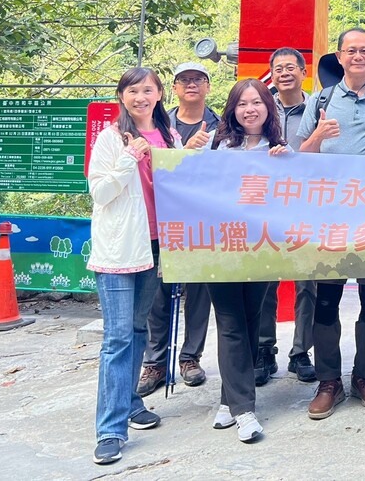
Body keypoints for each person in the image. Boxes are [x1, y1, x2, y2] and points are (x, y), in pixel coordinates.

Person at [296, 27, 365, 420]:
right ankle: (329, 381)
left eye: (364, 50)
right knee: (326, 300)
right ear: (340, 57)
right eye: (350, 50)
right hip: (329, 217)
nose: (358, 56)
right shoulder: (321, 99)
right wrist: (319, 135)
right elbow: (300, 155)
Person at [87, 67, 181, 465]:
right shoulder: (111, 138)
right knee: (118, 338)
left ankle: (130, 403)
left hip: (157, 246)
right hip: (119, 250)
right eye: (132, 91)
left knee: (139, 330)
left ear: (159, 94)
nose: (140, 97)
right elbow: (99, 191)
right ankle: (110, 430)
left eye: (147, 90)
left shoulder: (170, 136)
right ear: (121, 96)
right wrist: (130, 157)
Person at [205, 78, 291, 442]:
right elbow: (192, 184)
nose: (249, 109)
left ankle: (228, 400)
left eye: (257, 102)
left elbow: (294, 196)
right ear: (232, 110)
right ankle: (244, 410)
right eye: (242, 103)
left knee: (251, 321)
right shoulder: (217, 145)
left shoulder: (280, 150)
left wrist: (285, 166)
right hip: (219, 247)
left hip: (261, 248)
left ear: (268, 108)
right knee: (230, 322)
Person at [137, 62, 217, 397]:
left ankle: (190, 358)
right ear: (173, 88)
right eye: (184, 80)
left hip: (202, 220)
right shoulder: (159, 124)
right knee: (157, 292)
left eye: (198, 79)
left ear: (208, 86)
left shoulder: (221, 125)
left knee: (198, 291)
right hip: (162, 219)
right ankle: (155, 362)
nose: (191, 84)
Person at [255, 47, 317, 385]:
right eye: (278, 68)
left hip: (307, 207)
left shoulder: (319, 108)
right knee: (266, 280)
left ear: (304, 72)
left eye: (291, 67)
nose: (284, 73)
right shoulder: (260, 109)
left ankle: (301, 351)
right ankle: (265, 349)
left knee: (308, 282)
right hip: (267, 207)